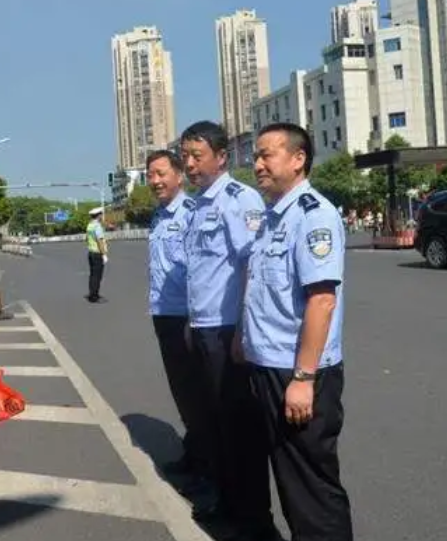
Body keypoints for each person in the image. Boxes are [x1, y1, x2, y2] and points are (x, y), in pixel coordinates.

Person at [242, 122, 353, 541]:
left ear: (298, 158)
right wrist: (243, 340)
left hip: (299, 371)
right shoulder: (274, 216)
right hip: (269, 363)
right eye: (256, 156)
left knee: (312, 487)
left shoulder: (313, 215)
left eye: (266, 154)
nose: (257, 164)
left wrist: (303, 378)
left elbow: (321, 301)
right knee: (291, 482)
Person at [180, 120, 274, 539]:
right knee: (215, 422)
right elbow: (201, 272)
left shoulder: (240, 199)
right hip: (202, 328)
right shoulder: (199, 204)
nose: (189, 164)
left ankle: (255, 519)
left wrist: (242, 330)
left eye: (197, 156)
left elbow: (253, 265)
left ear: (221, 157)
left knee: (240, 429)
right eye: (185, 156)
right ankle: (227, 500)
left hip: (228, 332)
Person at [145, 150, 207, 479]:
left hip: (188, 317)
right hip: (163, 314)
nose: (155, 181)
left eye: (160, 173)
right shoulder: (158, 216)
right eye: (150, 175)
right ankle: (196, 455)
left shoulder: (191, 213)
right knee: (182, 391)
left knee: (198, 394)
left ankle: (209, 468)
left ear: (179, 175)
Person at [86, 206, 108, 303]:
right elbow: (100, 241)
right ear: (98, 215)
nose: (102, 216)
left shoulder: (89, 225)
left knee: (92, 275)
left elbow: (86, 239)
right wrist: (103, 254)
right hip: (97, 253)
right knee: (97, 276)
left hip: (91, 252)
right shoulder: (97, 226)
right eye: (101, 214)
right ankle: (95, 297)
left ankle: (92, 294)